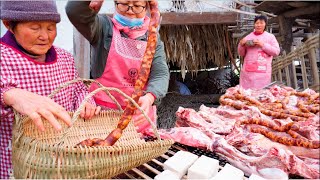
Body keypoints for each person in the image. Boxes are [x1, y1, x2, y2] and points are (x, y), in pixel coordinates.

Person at [0, 1, 101, 178]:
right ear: (9, 24)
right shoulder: (3, 57)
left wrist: (86, 102)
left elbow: (77, 89)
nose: (45, 36)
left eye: (50, 28)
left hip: (63, 158)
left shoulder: (64, 58)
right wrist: (8, 95)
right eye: (35, 27)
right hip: (17, 162)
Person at [66, 0, 169, 132]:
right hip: (101, 116)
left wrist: (149, 98)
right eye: (124, 4)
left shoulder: (153, 37)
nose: (130, 10)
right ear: (115, 4)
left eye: (137, 6)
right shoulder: (103, 28)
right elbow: (74, 11)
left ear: (146, 8)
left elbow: (160, 73)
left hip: (138, 117)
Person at [238, 15, 280, 90]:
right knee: (247, 96)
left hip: (262, 73)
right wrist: (241, 45)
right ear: (254, 24)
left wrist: (262, 45)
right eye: (257, 23)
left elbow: (276, 52)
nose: (259, 25)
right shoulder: (248, 37)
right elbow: (241, 53)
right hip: (248, 73)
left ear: (265, 24)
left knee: (262, 96)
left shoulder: (270, 37)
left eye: (261, 23)